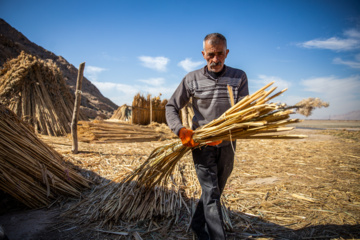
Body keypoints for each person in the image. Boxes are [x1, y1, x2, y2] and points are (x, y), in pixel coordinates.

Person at [165, 33, 249, 240]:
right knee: (211, 193)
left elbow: (246, 110)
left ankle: (196, 223)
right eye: (211, 54)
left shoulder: (239, 77)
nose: (216, 59)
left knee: (215, 190)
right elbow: (171, 107)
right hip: (201, 144)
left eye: (220, 54)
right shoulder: (191, 79)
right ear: (204, 54)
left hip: (228, 144)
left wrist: (234, 128)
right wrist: (181, 131)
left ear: (227, 53)